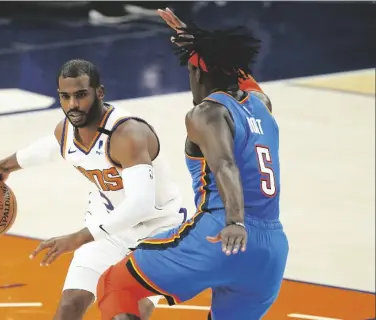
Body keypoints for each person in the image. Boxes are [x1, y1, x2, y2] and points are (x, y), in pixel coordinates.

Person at [96, 9, 289, 320]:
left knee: (116, 285)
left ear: (199, 73)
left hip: (219, 234)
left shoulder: (206, 113)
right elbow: (238, 72)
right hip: (271, 251)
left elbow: (225, 165)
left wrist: (235, 222)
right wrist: (200, 42)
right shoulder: (261, 105)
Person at [0, 59, 186, 320]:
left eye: (81, 95)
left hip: (157, 231)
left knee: (128, 315)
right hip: (109, 226)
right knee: (69, 306)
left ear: (100, 92)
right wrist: (2, 166)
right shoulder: (66, 131)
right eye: (65, 96)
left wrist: (78, 238)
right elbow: (51, 147)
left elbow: (141, 205)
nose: (72, 105)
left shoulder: (127, 134)